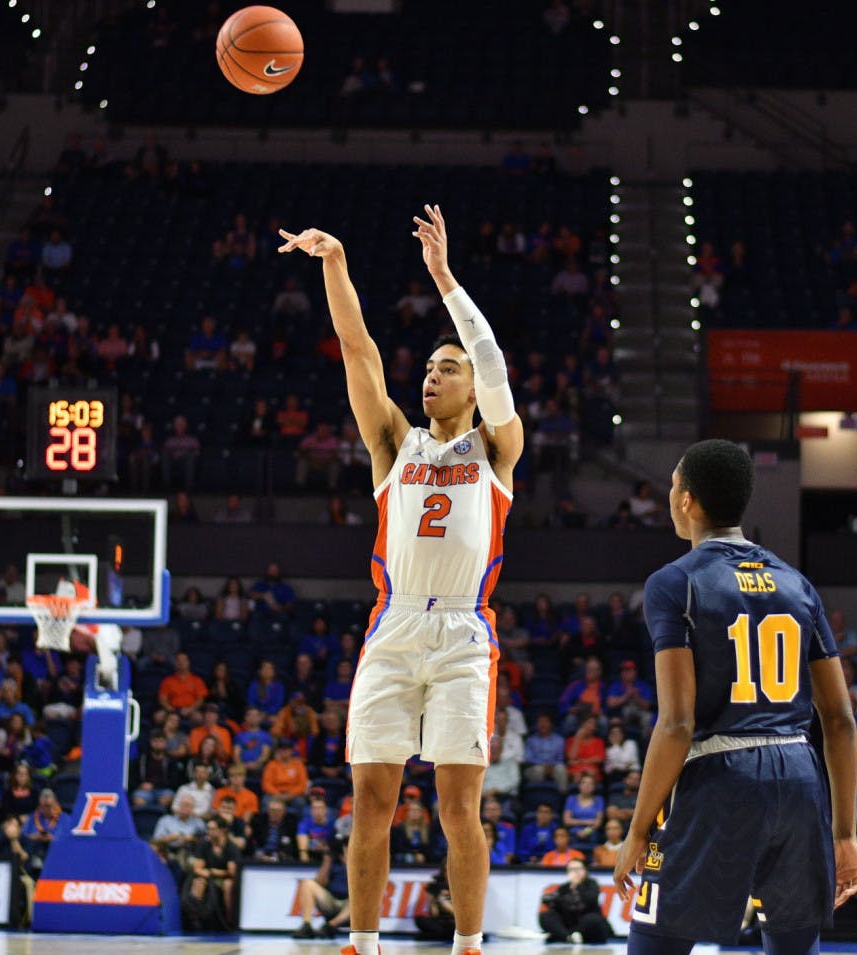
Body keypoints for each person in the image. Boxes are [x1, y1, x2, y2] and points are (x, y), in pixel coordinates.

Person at [279, 203, 524, 955]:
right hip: (392, 628)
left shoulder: (497, 447)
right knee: (370, 802)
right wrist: (335, 262)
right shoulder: (393, 440)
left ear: (469, 386)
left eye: (445, 369)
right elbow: (358, 352)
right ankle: (362, 941)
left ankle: (469, 944)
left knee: (459, 807)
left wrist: (445, 278)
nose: (431, 377)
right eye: (426, 368)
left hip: (461, 632)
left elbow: (493, 361)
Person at [612, 439, 857, 954]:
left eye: (675, 484)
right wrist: (845, 834)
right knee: (793, 947)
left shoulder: (674, 582)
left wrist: (637, 832)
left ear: (687, 500)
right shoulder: (798, 584)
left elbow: (677, 723)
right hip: (798, 775)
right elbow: (838, 719)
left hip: (720, 776)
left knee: (656, 942)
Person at [539, 858, 612, 944]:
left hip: (587, 926)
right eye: (571, 870)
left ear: (585, 870)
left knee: (593, 919)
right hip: (569, 923)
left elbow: (589, 900)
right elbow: (551, 901)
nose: (575, 872)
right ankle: (567, 937)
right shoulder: (564, 887)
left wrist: (576, 886)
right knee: (546, 915)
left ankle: (563, 935)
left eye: (578, 869)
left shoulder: (592, 884)